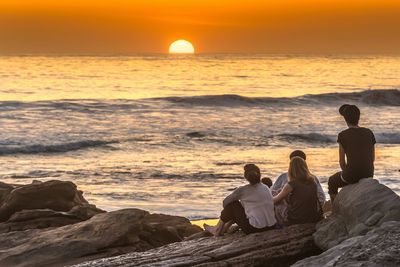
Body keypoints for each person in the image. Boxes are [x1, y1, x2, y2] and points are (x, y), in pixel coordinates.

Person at [204, 164, 277, 236]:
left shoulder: (243, 190)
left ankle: (217, 229)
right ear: (259, 175)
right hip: (272, 226)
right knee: (241, 208)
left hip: (254, 229)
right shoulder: (265, 188)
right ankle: (224, 228)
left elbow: (225, 203)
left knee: (233, 205)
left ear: (246, 177)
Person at [328, 104, 376, 203]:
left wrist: (348, 174)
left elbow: (341, 162)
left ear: (345, 119)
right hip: (369, 173)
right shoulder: (369, 132)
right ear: (359, 117)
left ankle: (334, 209)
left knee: (332, 181)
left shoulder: (342, 135)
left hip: (351, 175)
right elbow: (372, 158)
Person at [271, 150, 325, 224]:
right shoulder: (313, 180)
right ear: (304, 163)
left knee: (276, 198)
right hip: (313, 216)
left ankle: (278, 225)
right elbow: (321, 198)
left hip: (296, 218)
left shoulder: (289, 182)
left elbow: (274, 200)